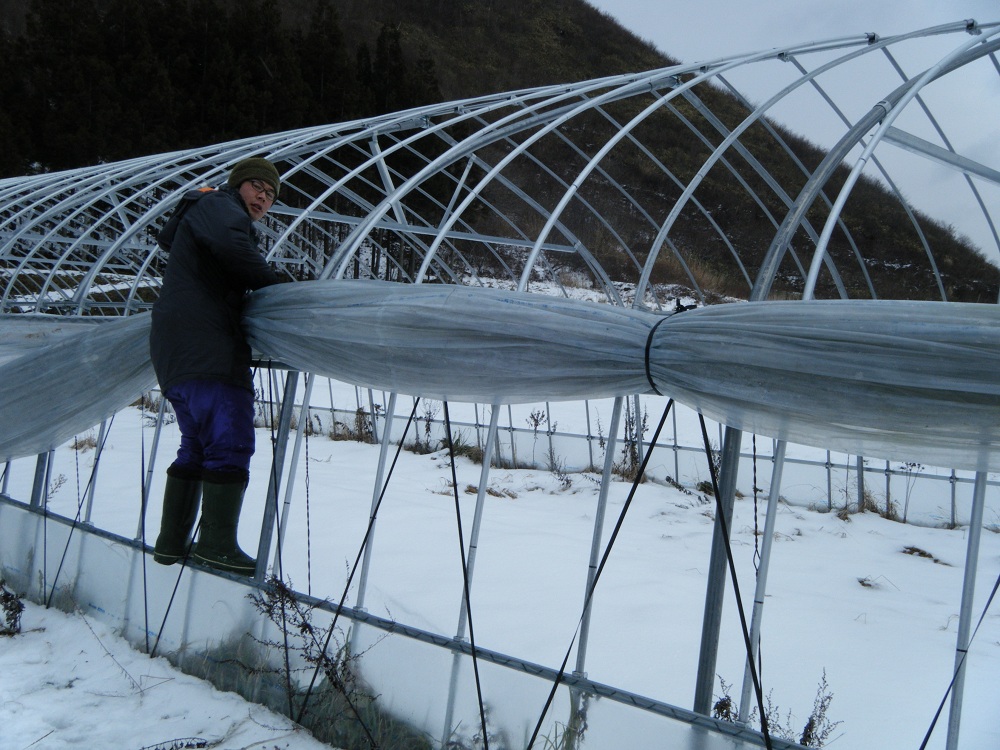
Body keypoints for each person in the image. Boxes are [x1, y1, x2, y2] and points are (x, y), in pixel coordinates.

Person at [149, 157, 284, 575]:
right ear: (237, 185)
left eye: (270, 194)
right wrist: (277, 283)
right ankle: (216, 544)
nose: (263, 197)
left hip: (177, 353)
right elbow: (233, 248)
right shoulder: (219, 207)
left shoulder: (204, 216)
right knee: (230, 440)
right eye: (257, 186)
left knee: (197, 445)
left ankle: (171, 541)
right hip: (208, 349)